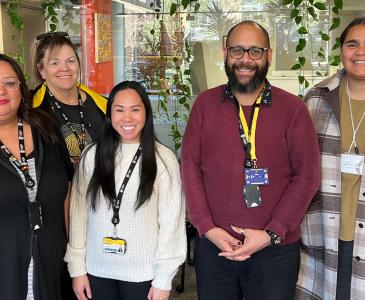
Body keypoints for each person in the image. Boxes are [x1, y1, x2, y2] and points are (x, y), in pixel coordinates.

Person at [181, 20, 320, 300]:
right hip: (215, 246)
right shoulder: (205, 105)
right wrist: (207, 228)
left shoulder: (293, 109)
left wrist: (273, 233)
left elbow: (307, 177)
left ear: (268, 54)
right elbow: (190, 168)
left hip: (275, 251)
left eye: (255, 51)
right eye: (237, 50)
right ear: (225, 52)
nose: (245, 59)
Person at [64, 81, 186, 300]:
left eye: (135, 109)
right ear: (110, 114)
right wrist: (77, 268)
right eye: (119, 110)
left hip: (143, 274)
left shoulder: (163, 159)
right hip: (96, 271)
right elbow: (79, 215)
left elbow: (171, 223)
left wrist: (164, 279)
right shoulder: (92, 155)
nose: (127, 118)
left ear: (146, 113)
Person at [297, 18, 365, 300]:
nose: (360, 51)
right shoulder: (316, 99)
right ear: (341, 50)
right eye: (353, 44)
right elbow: (298, 166)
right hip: (324, 226)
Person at [0, 54, 74, 299]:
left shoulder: (47, 128)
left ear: (21, 87)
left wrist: (74, 253)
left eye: (10, 83)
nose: (2, 91)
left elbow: (68, 190)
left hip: (53, 264)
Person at [32, 31, 107, 165]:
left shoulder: (103, 105)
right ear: (41, 70)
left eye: (71, 61)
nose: (65, 68)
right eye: (55, 63)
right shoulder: (31, 110)